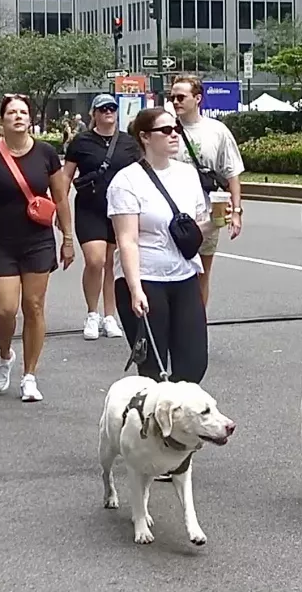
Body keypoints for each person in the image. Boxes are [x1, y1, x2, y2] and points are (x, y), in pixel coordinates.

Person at [0, 95, 74, 402]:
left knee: (34, 305)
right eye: (12, 112)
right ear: (1, 120)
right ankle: (5, 355)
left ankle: (30, 375)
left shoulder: (46, 153)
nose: (18, 117)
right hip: (0, 241)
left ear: (30, 120)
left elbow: (61, 196)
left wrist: (68, 237)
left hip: (37, 239)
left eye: (23, 112)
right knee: (4, 310)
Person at [108, 107, 212, 385]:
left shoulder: (188, 175)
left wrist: (215, 222)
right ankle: (156, 424)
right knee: (153, 369)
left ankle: (176, 419)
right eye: (166, 130)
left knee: (193, 365)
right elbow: (126, 240)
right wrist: (135, 289)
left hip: (184, 275)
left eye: (176, 129)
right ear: (145, 137)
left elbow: (194, 225)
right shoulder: (126, 181)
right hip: (146, 279)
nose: (174, 135)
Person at [62, 93, 140, 341]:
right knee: (95, 261)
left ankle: (109, 315)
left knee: (112, 263)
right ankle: (92, 313)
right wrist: (59, 205)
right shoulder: (81, 142)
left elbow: (142, 175)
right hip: (89, 207)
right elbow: (65, 176)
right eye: (103, 108)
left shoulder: (129, 143)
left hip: (119, 211)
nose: (108, 112)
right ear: (93, 114)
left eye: (112, 108)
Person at [168, 75, 244, 309]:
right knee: (170, 271)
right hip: (170, 211)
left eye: (181, 97)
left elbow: (232, 173)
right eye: (172, 98)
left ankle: (196, 324)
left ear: (197, 98)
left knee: (202, 271)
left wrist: (237, 211)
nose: (176, 102)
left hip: (207, 212)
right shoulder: (166, 129)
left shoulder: (217, 131)